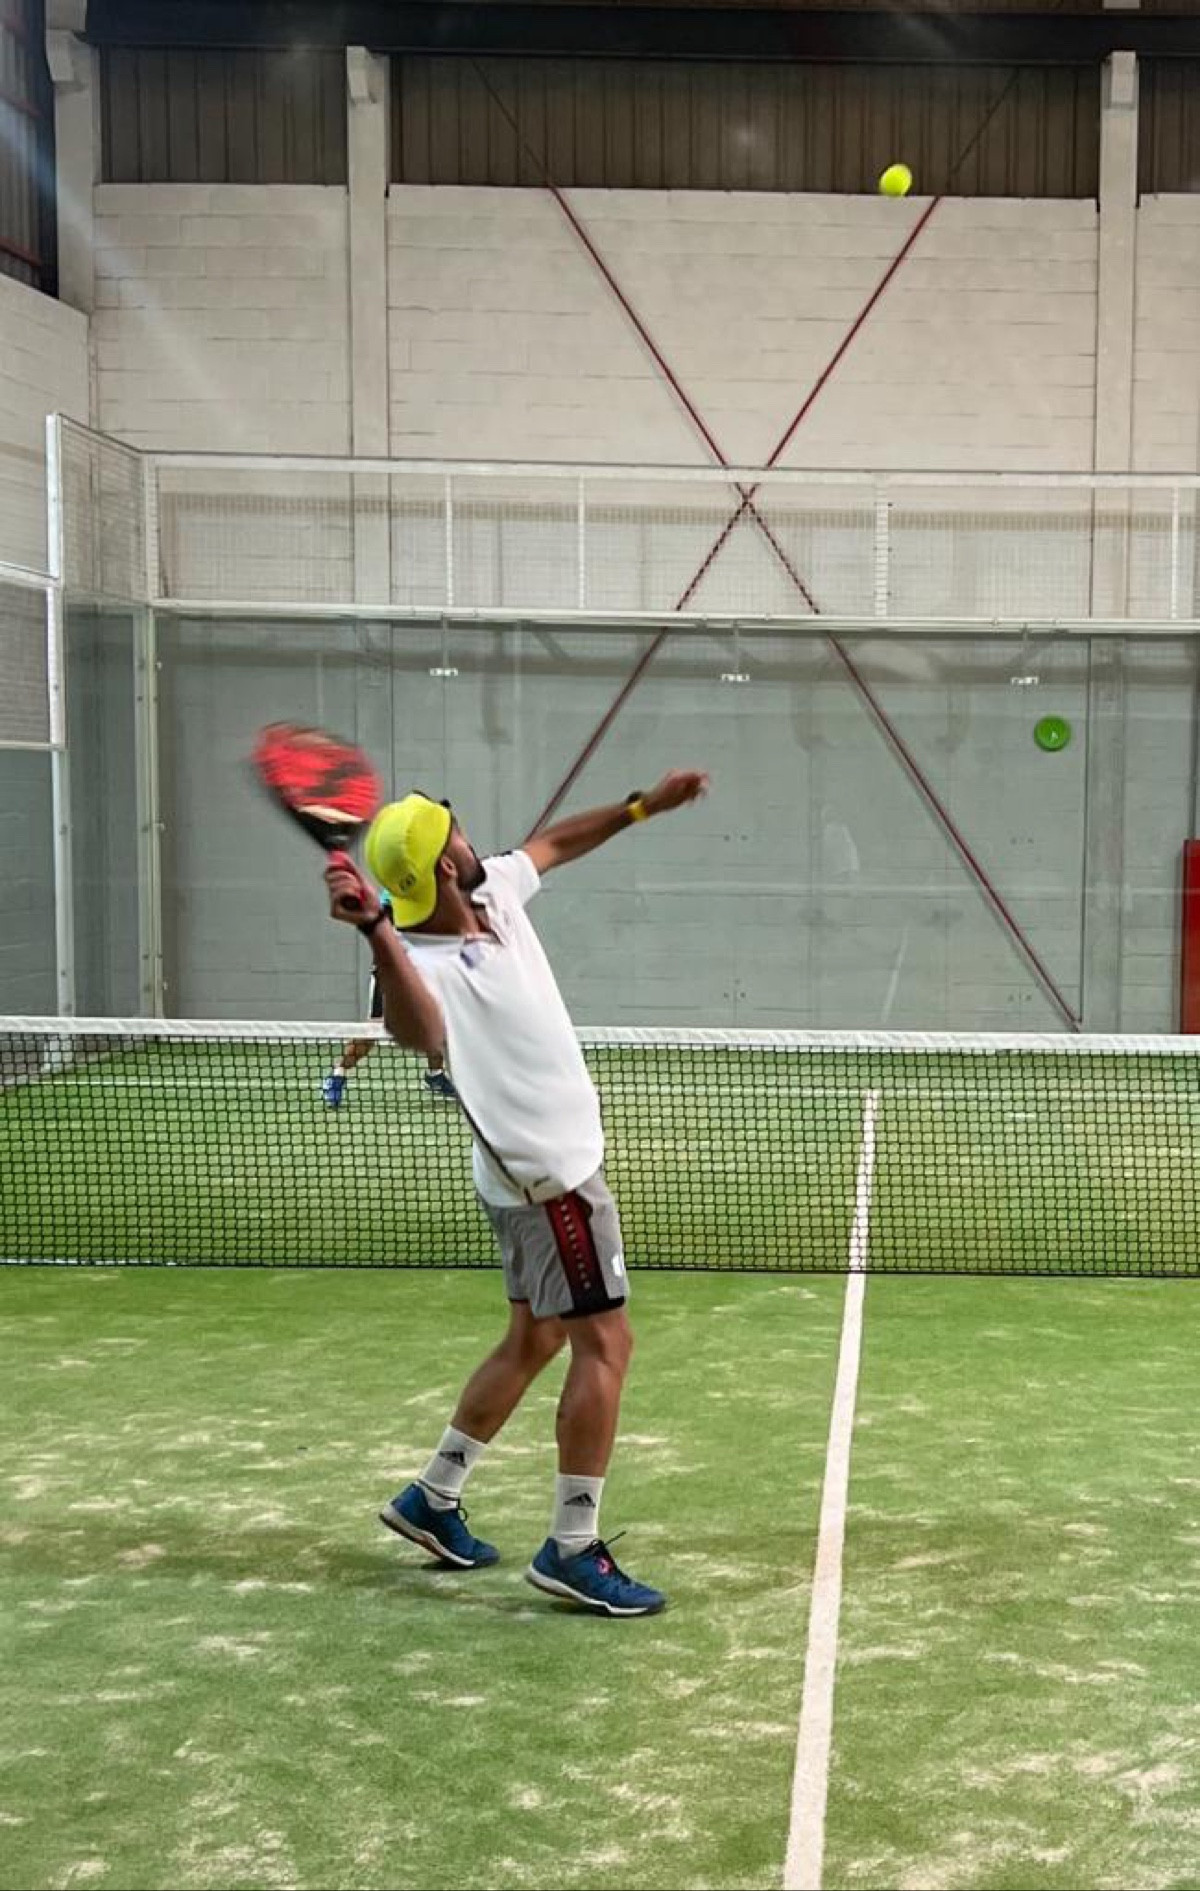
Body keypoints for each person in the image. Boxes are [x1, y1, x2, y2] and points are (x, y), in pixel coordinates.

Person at [323, 771, 709, 1617]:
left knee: (535, 1335)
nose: (470, 837)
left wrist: (641, 806)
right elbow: (418, 1032)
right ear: (444, 865)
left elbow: (557, 841)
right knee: (606, 1344)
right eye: (455, 832)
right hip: (551, 1182)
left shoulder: (492, 888)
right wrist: (377, 933)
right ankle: (572, 1546)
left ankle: (434, 1495)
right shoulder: (419, 965)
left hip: (521, 1176)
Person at [322, 891, 456, 1106]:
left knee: (439, 1021)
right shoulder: (391, 902)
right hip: (390, 973)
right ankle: (337, 1075)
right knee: (373, 1030)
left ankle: (435, 1075)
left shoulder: (434, 898)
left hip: (425, 972)